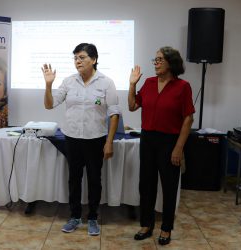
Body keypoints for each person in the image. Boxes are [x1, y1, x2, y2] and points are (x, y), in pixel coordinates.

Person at [43, 43, 120, 236]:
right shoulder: (69, 82)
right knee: (74, 179)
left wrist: (109, 142)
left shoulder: (106, 82)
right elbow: (49, 105)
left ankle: (93, 217)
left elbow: (114, 114)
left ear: (94, 60)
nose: (78, 61)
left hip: (96, 139)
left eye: (82, 57)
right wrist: (48, 85)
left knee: (95, 179)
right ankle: (75, 216)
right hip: (73, 138)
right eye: (75, 58)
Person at [128, 46, 195, 245]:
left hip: (170, 141)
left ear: (171, 62)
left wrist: (178, 148)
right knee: (146, 184)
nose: (155, 63)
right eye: (154, 60)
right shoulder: (148, 83)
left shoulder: (183, 86)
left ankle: (166, 228)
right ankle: (146, 224)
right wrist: (132, 85)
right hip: (148, 138)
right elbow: (132, 106)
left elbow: (188, 119)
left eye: (159, 60)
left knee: (169, 186)